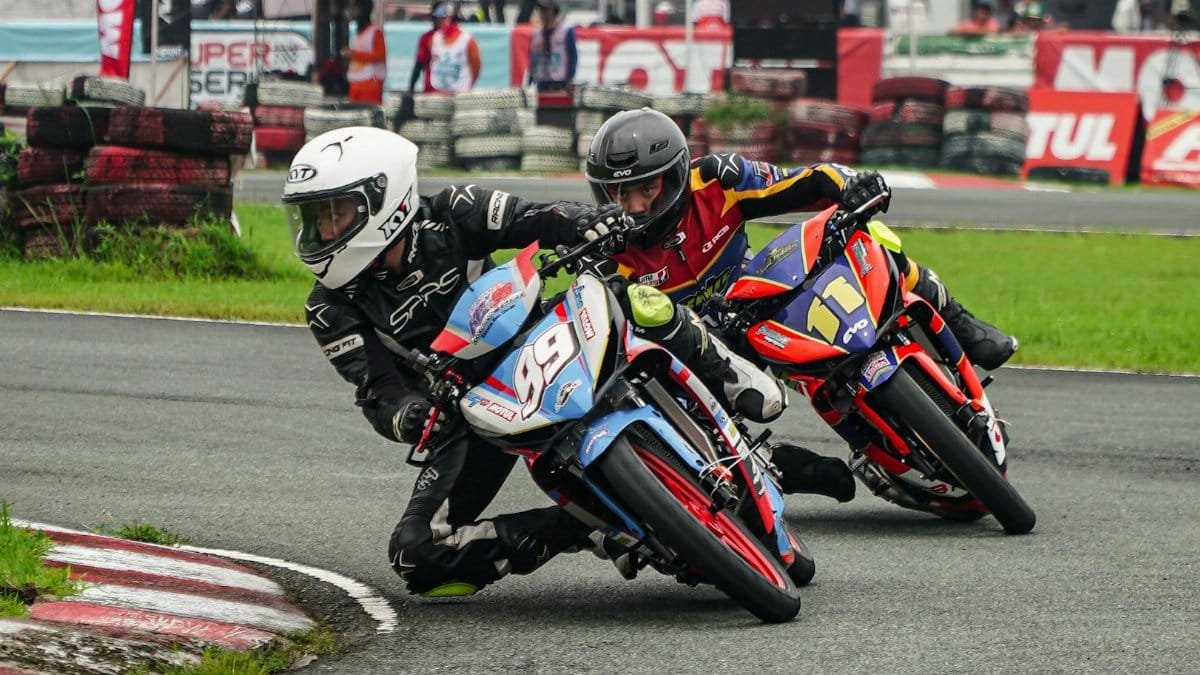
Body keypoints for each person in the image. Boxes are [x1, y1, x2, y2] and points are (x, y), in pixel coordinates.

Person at [283, 126, 789, 596]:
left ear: (382, 201)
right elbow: (377, 392)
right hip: (470, 410)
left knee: (631, 297)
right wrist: (406, 416)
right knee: (415, 556)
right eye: (313, 219)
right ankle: (587, 526)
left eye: (332, 214)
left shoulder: (453, 209)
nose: (320, 231)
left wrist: (589, 222)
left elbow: (538, 217)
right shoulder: (329, 307)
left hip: (539, 331)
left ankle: (730, 374)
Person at [583, 109, 1020, 501]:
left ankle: (960, 321)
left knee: (870, 236)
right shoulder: (606, 251)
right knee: (677, 405)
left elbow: (804, 182)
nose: (633, 207)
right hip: (706, 345)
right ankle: (777, 466)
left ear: (676, 175)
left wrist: (852, 187)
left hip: (760, 293)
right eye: (618, 194)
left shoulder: (717, 180)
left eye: (646, 189)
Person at [416, 1, 482, 93]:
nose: (443, 22)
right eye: (439, 18)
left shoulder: (467, 40)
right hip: (434, 94)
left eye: (445, 18)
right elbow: (419, 65)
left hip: (459, 94)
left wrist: (465, 86)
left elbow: (476, 68)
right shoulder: (429, 38)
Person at [527, 0, 577, 93]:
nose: (542, 13)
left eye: (546, 10)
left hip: (559, 79)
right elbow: (533, 57)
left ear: (554, 11)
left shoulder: (566, 31)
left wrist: (569, 79)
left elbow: (572, 57)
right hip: (541, 80)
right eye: (541, 10)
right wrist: (530, 79)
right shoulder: (536, 33)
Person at [342, 0, 387, 104]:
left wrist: (354, 55)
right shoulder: (358, 34)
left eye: (355, 9)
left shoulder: (375, 32)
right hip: (355, 82)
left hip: (370, 83)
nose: (353, 12)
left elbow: (380, 55)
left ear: (363, 10)